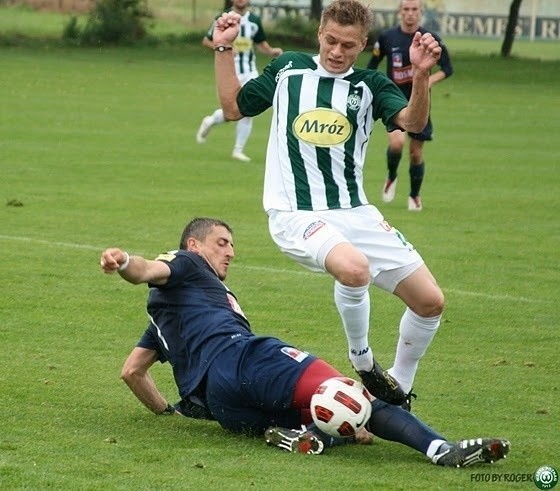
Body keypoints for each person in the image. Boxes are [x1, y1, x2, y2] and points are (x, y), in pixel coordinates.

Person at [101, 217, 510, 466]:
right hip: (243, 358)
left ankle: (307, 435)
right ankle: (442, 450)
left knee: (329, 419)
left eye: (232, 245)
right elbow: (146, 269)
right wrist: (123, 262)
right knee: (355, 398)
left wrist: (166, 413)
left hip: (222, 404)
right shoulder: (186, 261)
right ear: (194, 244)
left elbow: (132, 371)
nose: (231, 252)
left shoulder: (168, 317)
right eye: (222, 242)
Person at [211, 0, 445, 408]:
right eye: (331, 41)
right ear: (319, 34)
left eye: (348, 46)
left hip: (356, 213)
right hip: (295, 213)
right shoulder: (288, 70)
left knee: (430, 301)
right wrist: (224, 48)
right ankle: (365, 362)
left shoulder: (370, 86)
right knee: (353, 270)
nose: (337, 52)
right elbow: (233, 107)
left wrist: (421, 75)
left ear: (362, 45)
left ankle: (400, 386)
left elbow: (412, 122)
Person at [367, 0, 453, 211]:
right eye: (406, 9)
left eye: (414, 10)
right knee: (396, 143)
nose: (410, 14)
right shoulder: (387, 37)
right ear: (400, 12)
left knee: (415, 153)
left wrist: (426, 80)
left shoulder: (430, 39)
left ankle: (414, 195)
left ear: (420, 12)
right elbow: (371, 67)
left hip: (420, 100)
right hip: (394, 99)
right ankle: (391, 175)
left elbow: (447, 68)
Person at [195, 0, 283, 162]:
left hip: (250, 71)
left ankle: (238, 150)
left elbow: (260, 43)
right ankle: (211, 120)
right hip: (231, 71)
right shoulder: (223, 18)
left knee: (247, 110)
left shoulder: (254, 21)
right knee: (234, 110)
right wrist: (224, 46)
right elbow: (207, 40)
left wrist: (272, 51)